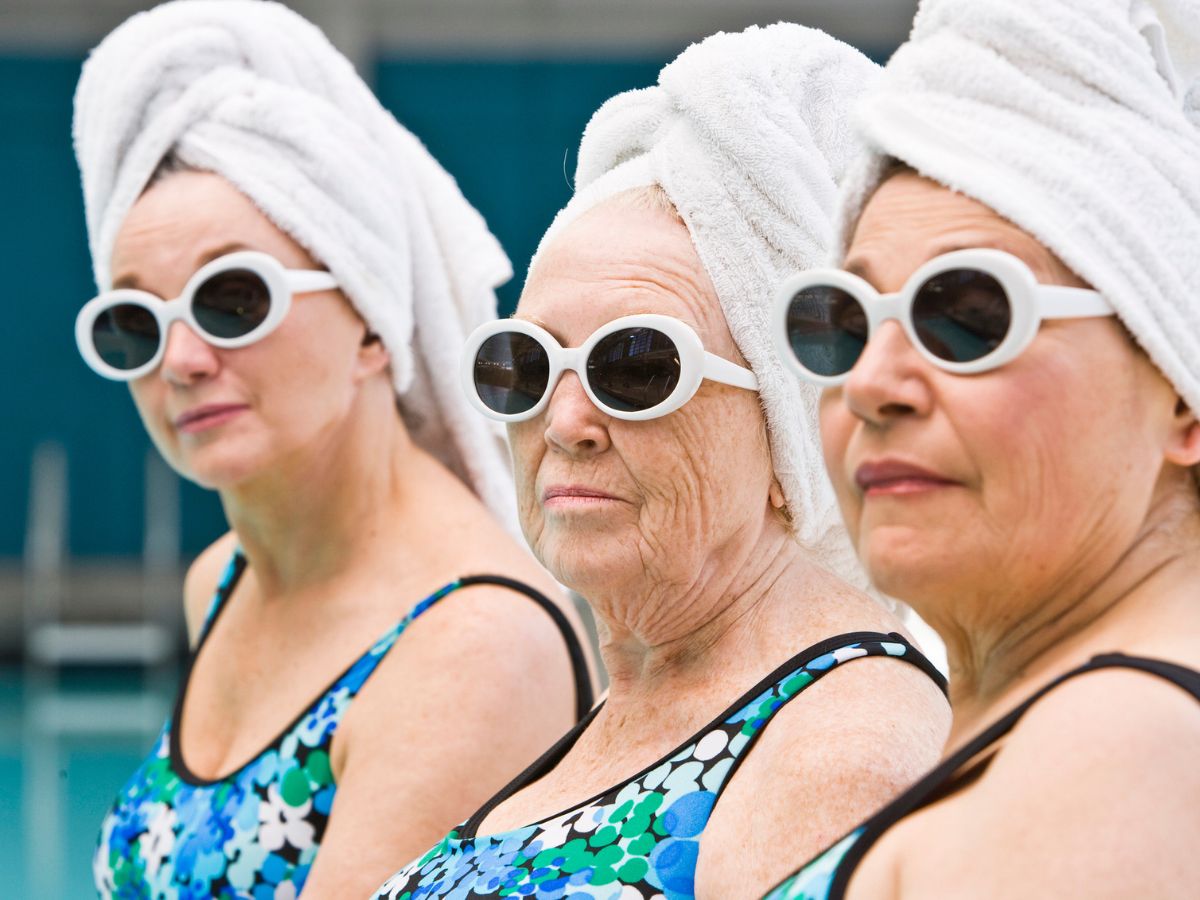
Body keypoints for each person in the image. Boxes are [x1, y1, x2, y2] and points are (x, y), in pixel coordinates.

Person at [373, 24, 950, 900]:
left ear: (786, 427)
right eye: (524, 365)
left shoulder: (837, 752)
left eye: (636, 368)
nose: (565, 421)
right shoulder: (649, 708)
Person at [76, 2, 593, 896]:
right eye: (134, 323)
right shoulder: (224, 579)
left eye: (231, 300)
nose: (183, 361)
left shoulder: (474, 646)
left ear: (371, 324)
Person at [767, 0, 1200, 896]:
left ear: (1182, 401)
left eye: (968, 319)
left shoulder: (1123, 753)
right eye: (843, 323)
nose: (872, 384)